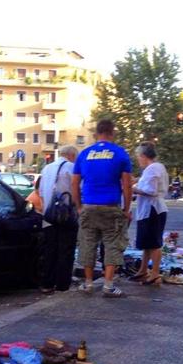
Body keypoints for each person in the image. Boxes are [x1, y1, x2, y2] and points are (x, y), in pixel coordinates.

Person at [72, 119, 132, 298]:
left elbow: (74, 183)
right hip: (110, 207)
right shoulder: (120, 154)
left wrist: (79, 207)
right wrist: (126, 209)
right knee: (112, 245)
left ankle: (88, 283)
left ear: (96, 134)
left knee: (88, 244)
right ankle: (108, 285)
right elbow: (127, 184)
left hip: (88, 207)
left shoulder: (84, 154)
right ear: (112, 133)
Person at [39, 146, 79, 293]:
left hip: (49, 214)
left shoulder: (47, 168)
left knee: (50, 249)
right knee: (66, 249)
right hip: (66, 214)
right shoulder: (71, 167)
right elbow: (77, 190)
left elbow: (41, 192)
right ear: (71, 155)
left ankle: (47, 283)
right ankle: (62, 284)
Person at [130, 142, 169, 285]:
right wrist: (136, 183)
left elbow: (151, 190)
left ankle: (155, 274)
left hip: (153, 209)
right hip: (151, 209)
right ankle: (143, 270)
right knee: (147, 243)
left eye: (138, 157)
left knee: (153, 243)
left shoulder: (153, 168)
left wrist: (132, 188)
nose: (138, 160)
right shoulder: (156, 168)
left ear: (143, 156)